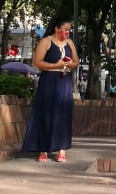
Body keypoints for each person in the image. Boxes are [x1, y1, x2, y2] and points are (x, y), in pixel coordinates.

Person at [21, 15, 78, 162]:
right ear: (57, 29)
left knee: (63, 113)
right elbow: (37, 62)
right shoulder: (46, 41)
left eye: (69, 30)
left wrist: (69, 64)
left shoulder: (69, 43)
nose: (67, 32)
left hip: (64, 81)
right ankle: (43, 148)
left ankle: (62, 148)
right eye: (65, 29)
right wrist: (55, 65)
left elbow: (76, 61)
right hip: (49, 80)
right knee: (46, 112)